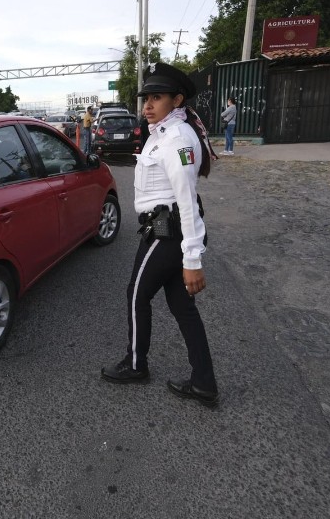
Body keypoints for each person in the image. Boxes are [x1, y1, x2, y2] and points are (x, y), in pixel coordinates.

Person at [101, 62, 219, 408]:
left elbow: (186, 199)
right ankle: (204, 382)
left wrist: (193, 260)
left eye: (157, 98)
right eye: (146, 98)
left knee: (136, 294)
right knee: (182, 307)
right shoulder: (161, 135)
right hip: (164, 230)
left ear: (177, 99)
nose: (147, 105)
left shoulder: (178, 138)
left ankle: (136, 364)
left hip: (168, 234)